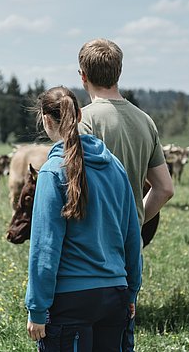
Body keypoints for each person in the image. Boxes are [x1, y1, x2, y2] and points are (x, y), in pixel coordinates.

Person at [25, 86, 142, 351]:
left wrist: (37, 308)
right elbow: (132, 237)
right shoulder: (115, 166)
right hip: (115, 295)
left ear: (45, 119)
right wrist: (131, 290)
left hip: (70, 301)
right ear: (79, 115)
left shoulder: (52, 172)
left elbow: (45, 249)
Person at [77, 38, 175, 350]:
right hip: (124, 252)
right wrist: (135, 219)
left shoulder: (82, 120)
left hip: (86, 251)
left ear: (82, 76)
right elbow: (165, 188)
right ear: (119, 73)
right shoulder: (146, 121)